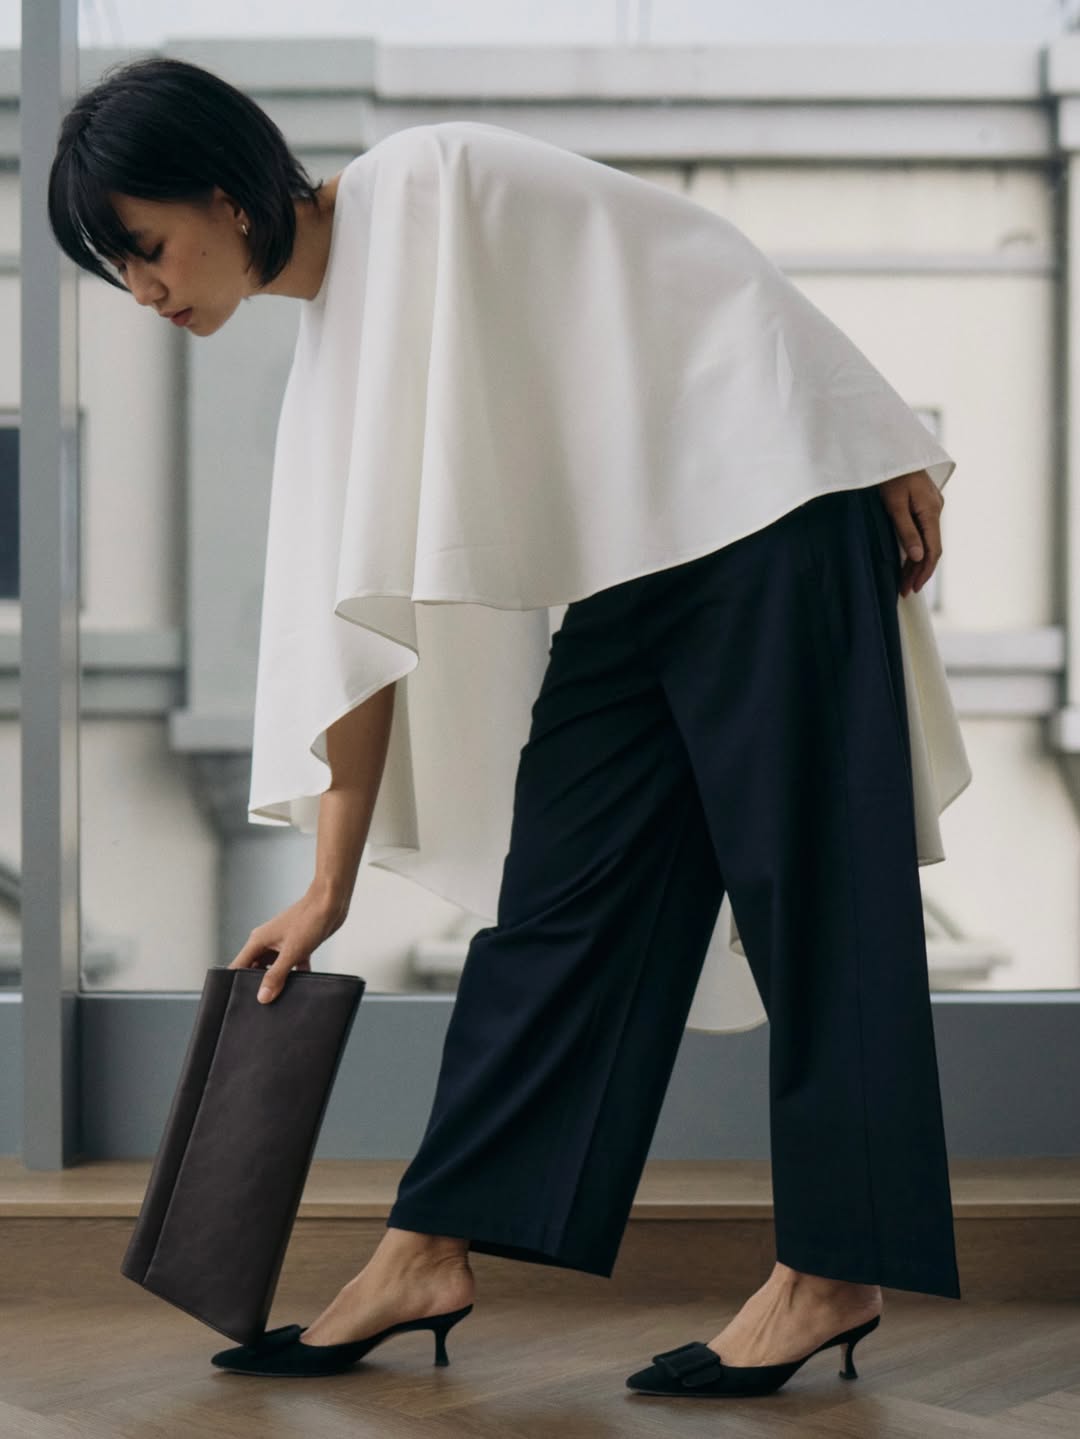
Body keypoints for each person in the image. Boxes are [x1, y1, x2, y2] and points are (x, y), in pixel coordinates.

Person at [49, 56, 967, 1398]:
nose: (143, 289)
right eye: (116, 270)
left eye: (143, 247)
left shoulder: (431, 178)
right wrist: (326, 889)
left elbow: (696, 256)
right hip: (636, 575)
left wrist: (866, 429)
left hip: (770, 507)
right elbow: (351, 645)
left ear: (223, 195)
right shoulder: (330, 367)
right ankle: (427, 1248)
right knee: (559, 903)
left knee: (815, 898)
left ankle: (834, 1272)